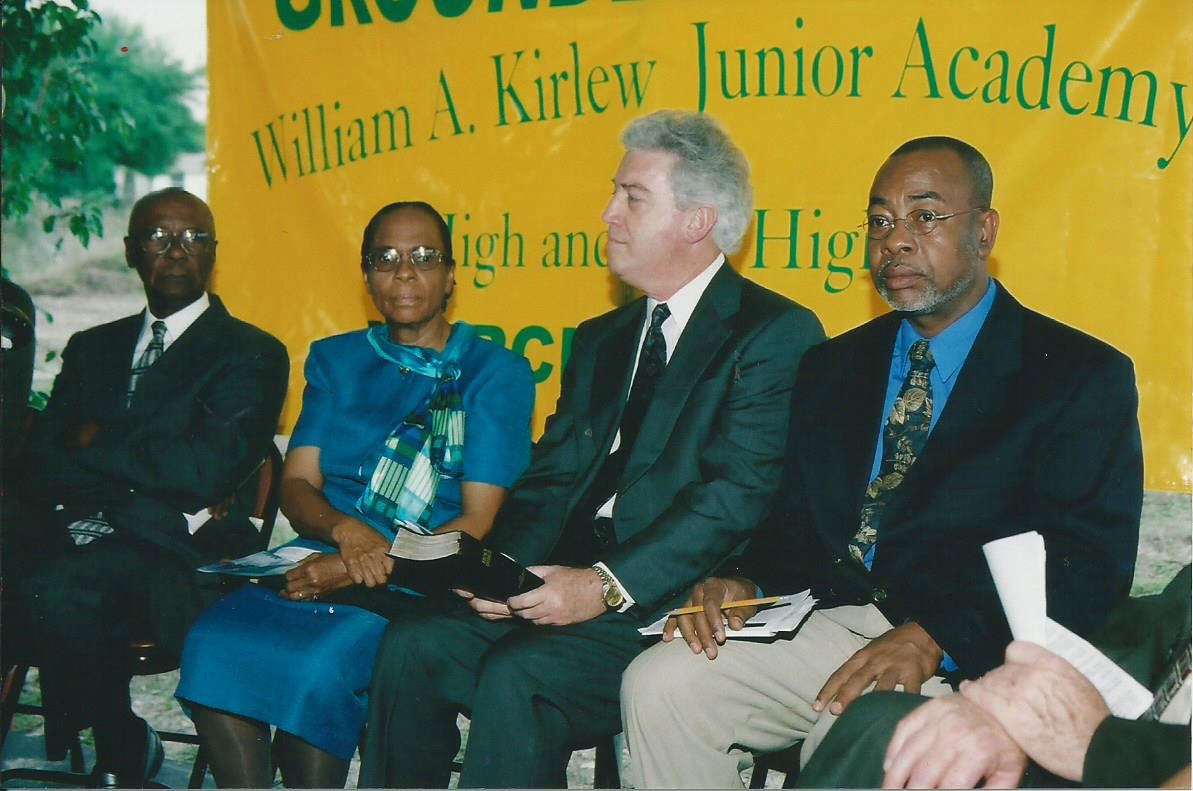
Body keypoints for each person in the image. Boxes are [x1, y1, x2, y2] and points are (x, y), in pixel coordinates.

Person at [620, 136, 1144, 788]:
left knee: (851, 738)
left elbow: (1088, 564)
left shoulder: (1075, 375)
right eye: (879, 221)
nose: (893, 240)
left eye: (925, 216)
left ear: (983, 231)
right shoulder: (834, 366)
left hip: (971, 652)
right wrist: (743, 578)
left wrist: (936, 636)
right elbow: (790, 522)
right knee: (661, 683)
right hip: (830, 621)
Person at [359, 110, 826, 788]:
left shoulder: (773, 333)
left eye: (632, 196)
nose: (608, 212)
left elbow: (732, 499)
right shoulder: (604, 336)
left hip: (670, 603)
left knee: (519, 674)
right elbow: (548, 478)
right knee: (412, 644)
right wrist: (502, 572)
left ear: (696, 220)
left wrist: (602, 585)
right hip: (561, 581)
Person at [175, 201, 535, 788]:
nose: (405, 273)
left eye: (424, 258)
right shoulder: (336, 360)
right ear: (366, 276)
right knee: (212, 640)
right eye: (385, 259)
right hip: (324, 557)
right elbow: (296, 484)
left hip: (425, 578)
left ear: (451, 275)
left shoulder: (496, 373)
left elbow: (477, 519)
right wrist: (345, 533)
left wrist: (361, 564)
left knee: (314, 663)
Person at [7, 188, 289, 787]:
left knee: (62, 586)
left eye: (195, 238)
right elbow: (42, 461)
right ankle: (121, 740)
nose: (178, 250)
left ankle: (122, 748)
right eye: (159, 237)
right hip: (78, 531)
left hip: (180, 553)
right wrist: (139, 461)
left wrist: (94, 442)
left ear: (214, 252)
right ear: (132, 252)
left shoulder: (252, 353)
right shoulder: (93, 347)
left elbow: (204, 472)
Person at [799, 564, 1191, 788]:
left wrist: (1099, 744)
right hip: (1138, 740)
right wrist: (1020, 709)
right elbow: (1148, 631)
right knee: (886, 722)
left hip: (1133, 764)